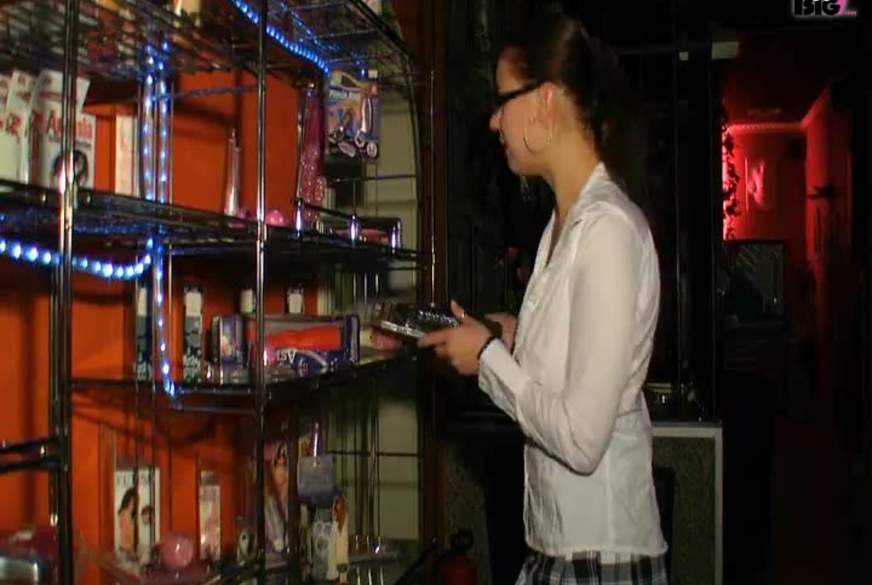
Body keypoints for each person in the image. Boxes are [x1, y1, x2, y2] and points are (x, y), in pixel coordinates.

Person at [419, 13, 668, 585]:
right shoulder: (563, 226)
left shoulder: (605, 231)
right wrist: (506, 334)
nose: (494, 120)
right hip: (560, 548)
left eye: (503, 101)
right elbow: (569, 351)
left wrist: (488, 358)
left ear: (545, 100)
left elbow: (581, 439)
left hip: (599, 556)